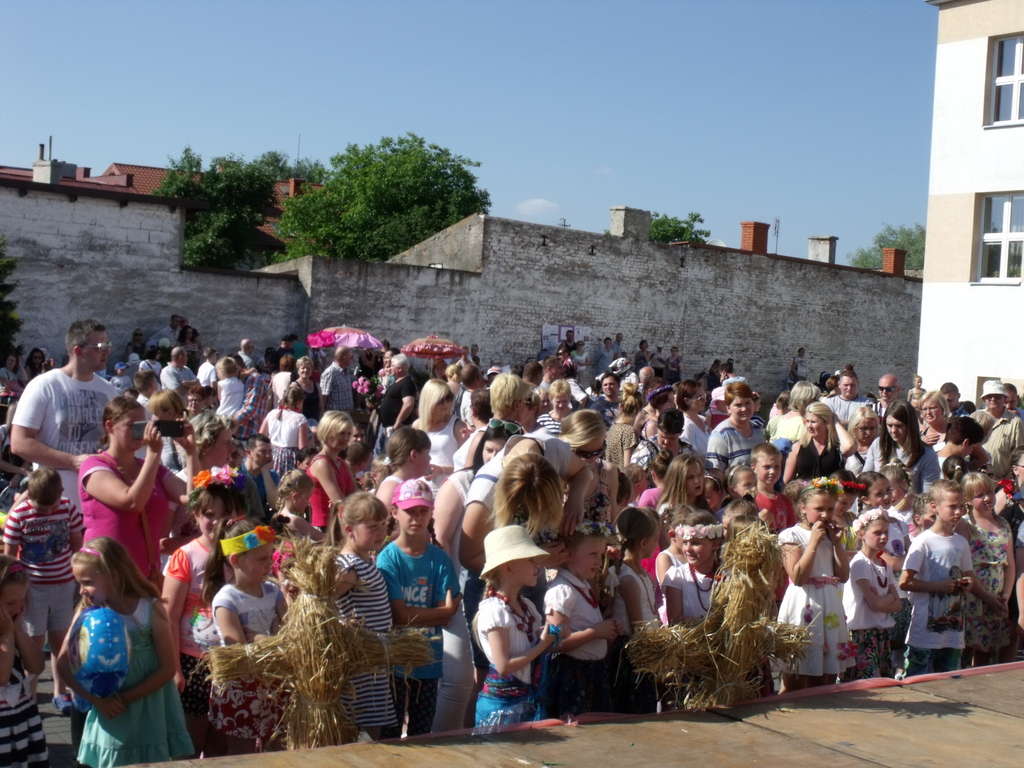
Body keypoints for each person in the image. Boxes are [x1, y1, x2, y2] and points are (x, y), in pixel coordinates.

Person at [60, 538, 192, 766]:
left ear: (114, 574)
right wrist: (97, 701)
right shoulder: (87, 613)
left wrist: (124, 699)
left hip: (150, 706)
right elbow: (63, 664)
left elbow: (167, 668)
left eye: (87, 582)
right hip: (111, 712)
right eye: (79, 583)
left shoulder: (148, 607)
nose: (81, 591)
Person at [161, 474, 244, 759]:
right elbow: (169, 616)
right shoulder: (186, 555)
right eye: (209, 514)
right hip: (193, 662)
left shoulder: (240, 553)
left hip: (229, 660)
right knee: (190, 740)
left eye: (226, 514)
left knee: (221, 745)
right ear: (196, 514)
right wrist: (174, 668)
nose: (217, 521)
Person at [79, 395, 196, 582]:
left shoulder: (152, 468)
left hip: (145, 575)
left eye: (143, 425)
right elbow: (132, 502)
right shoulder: (93, 466)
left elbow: (193, 498)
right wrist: (153, 454)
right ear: (109, 426)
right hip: (107, 576)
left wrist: (191, 452)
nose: (140, 432)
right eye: (132, 425)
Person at [378, 478, 461, 737]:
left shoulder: (439, 559)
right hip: (395, 661)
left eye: (422, 511)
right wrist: (441, 613)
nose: (417, 518)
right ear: (395, 512)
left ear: (431, 513)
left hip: (428, 660)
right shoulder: (388, 558)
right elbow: (399, 615)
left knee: (422, 732)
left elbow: (449, 613)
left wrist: (440, 614)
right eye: (410, 511)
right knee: (390, 733)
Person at [12, 319, 118, 514]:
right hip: (53, 506)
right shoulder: (44, 385)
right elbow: (19, 443)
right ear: (78, 350)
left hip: (98, 504)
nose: (107, 351)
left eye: (108, 345)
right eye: (100, 346)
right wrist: (73, 461)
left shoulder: (108, 390)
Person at [2, 467, 83, 713]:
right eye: (41, 507)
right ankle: (30, 692)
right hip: (33, 588)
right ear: (30, 495)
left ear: (60, 493)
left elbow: (76, 542)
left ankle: (61, 691)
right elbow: (9, 556)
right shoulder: (20, 516)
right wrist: (16, 591)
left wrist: (78, 576)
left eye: (51, 506)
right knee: (33, 640)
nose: (47, 512)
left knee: (60, 639)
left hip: (63, 583)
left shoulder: (67, 507)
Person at [205, 518, 284, 754]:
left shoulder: (273, 592)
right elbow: (239, 652)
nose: (269, 563)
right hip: (241, 688)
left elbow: (289, 633)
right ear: (235, 560)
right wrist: (272, 642)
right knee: (243, 753)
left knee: (278, 747)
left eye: (270, 556)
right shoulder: (227, 599)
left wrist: (258, 639)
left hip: (273, 682)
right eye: (261, 559)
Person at [474, 524, 560, 728]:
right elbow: (504, 666)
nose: (537, 566)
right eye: (530, 560)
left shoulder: (527, 607)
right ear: (508, 566)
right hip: (501, 710)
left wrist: (550, 637)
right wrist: (542, 644)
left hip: (525, 702)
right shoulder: (494, 611)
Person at [327, 492, 397, 736]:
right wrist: (342, 624)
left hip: (373, 660)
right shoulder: (349, 567)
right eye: (372, 527)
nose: (380, 532)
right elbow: (325, 600)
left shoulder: (366, 561)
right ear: (349, 530)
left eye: (382, 525)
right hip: (360, 662)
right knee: (361, 727)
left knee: (372, 728)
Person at [777, 479, 852, 691]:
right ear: (803, 508)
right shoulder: (791, 535)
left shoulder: (831, 536)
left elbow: (843, 575)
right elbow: (798, 577)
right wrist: (813, 542)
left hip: (829, 604)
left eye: (830, 509)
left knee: (827, 672)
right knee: (798, 671)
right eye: (819, 509)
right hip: (804, 602)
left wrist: (837, 543)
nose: (825, 515)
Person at [899, 479, 975, 676]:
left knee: (950, 678)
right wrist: (938, 586)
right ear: (935, 506)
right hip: (924, 631)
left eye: (961, 507)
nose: (958, 512)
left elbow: (969, 575)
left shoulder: (961, 542)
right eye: (952, 507)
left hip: (953, 630)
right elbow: (905, 582)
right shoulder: (923, 542)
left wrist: (966, 584)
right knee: (917, 677)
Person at [542, 524, 618, 718]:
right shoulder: (562, 591)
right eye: (592, 554)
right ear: (568, 555)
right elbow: (555, 642)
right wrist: (595, 632)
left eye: (601, 555)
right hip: (573, 675)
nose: (599, 561)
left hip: (593, 673)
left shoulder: (582, 586)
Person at [960, 472, 1014, 667]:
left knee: (988, 650)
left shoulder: (1003, 524)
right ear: (967, 499)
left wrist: (1005, 596)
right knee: (968, 649)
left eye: (989, 492)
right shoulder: (965, 525)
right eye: (979, 495)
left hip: (997, 598)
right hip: (973, 597)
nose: (987, 498)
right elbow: (964, 567)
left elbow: (1010, 565)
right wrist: (987, 597)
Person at [607, 507, 658, 714]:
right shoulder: (627, 578)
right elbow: (638, 625)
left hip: (646, 648)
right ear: (644, 543)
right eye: (655, 540)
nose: (657, 545)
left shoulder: (641, 573)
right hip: (633, 653)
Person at [0, 554, 48, 766]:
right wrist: (6, 634)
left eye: (23, 601)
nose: (19, 609)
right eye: (10, 603)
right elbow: (2, 677)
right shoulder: (6, 632)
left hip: (21, 718)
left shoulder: (14, 625)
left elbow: (36, 666)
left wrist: (18, 631)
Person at [843, 509, 901, 680]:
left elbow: (898, 604)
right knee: (865, 678)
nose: (883, 537)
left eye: (886, 533)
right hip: (862, 632)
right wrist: (889, 598)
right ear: (862, 533)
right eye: (877, 533)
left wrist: (885, 600)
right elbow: (875, 604)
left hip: (881, 632)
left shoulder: (884, 564)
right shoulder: (860, 563)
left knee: (883, 678)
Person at [863, 400, 940, 494]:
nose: (893, 430)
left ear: (910, 425)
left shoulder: (927, 454)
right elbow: (865, 481)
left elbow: (928, 495)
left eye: (898, 426)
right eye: (889, 425)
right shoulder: (877, 445)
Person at [663, 509, 724, 623]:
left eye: (695, 543)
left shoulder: (726, 575)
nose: (687, 549)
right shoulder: (677, 577)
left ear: (715, 544)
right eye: (685, 542)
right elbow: (675, 622)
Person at [412, 379, 465, 493]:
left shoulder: (457, 426)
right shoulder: (417, 426)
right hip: (420, 489)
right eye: (441, 400)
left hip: (448, 490)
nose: (446, 404)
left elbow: (466, 466)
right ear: (429, 401)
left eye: (449, 398)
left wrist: (442, 469)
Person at [306, 411, 356, 530]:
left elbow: (355, 496)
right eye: (341, 433)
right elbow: (339, 501)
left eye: (348, 434)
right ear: (328, 433)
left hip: (340, 524)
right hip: (324, 528)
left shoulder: (342, 463)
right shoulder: (321, 464)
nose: (346, 438)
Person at [706, 381, 764, 471]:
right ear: (728, 408)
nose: (744, 409)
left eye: (747, 403)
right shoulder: (721, 435)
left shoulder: (758, 429)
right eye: (738, 405)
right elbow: (714, 473)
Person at [974, 380, 1024, 479]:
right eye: (989, 396)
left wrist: (1010, 481)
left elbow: (1019, 454)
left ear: (1004, 398)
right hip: (976, 480)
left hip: (1002, 482)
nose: (993, 399)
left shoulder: (1015, 422)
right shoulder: (974, 418)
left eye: (997, 396)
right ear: (983, 399)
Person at [784, 402, 844, 482]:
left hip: (830, 489)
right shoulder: (797, 447)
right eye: (807, 421)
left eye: (813, 422)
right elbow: (786, 481)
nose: (809, 426)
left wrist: (836, 422)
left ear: (826, 423)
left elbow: (850, 447)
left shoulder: (837, 447)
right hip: (804, 489)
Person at [259, 384, 310, 476]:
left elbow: (260, 436)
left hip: (271, 455)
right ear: (299, 402)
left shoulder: (272, 413)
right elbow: (302, 447)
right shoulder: (300, 418)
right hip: (289, 458)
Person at [376, 354, 417, 453]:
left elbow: (408, 404)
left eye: (392, 365)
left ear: (399, 369)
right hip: (387, 426)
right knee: (380, 453)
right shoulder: (397, 381)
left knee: (390, 454)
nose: (390, 368)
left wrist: (398, 423)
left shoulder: (406, 383)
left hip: (394, 428)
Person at [752, 443, 794, 533]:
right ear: (754, 468)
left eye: (777, 467)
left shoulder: (785, 501)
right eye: (767, 467)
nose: (772, 471)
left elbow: (792, 529)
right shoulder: (751, 500)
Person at [271, 470, 320, 540]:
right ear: (295, 497)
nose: (308, 503)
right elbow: (324, 538)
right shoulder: (295, 520)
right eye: (307, 498)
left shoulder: (279, 516)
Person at [605, 382, 641, 467]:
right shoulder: (628, 431)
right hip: (622, 474)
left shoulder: (613, 427)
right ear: (638, 409)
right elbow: (627, 466)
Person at [240, 434, 279, 514]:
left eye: (270, 451)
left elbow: (274, 504)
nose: (268, 455)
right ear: (248, 453)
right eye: (263, 451)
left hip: (262, 518)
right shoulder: (238, 472)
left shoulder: (272, 476)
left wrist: (265, 472)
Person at [675, 379, 710, 460]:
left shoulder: (703, 419)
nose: (704, 400)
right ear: (687, 401)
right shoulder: (686, 426)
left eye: (705, 396)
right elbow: (686, 458)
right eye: (700, 398)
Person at [844, 406, 880, 475]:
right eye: (864, 428)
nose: (869, 433)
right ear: (854, 428)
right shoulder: (847, 448)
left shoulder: (881, 448)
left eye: (872, 428)